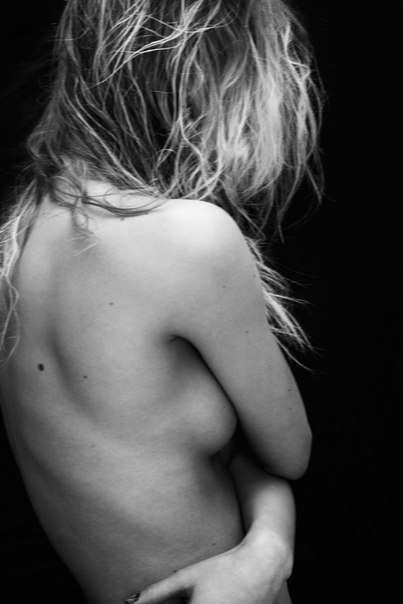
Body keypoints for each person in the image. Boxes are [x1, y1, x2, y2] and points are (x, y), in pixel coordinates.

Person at [0, 1, 321, 603]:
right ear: (203, 69)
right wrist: (271, 545)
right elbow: (289, 453)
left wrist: (269, 549)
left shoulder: (20, 244)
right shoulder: (188, 239)